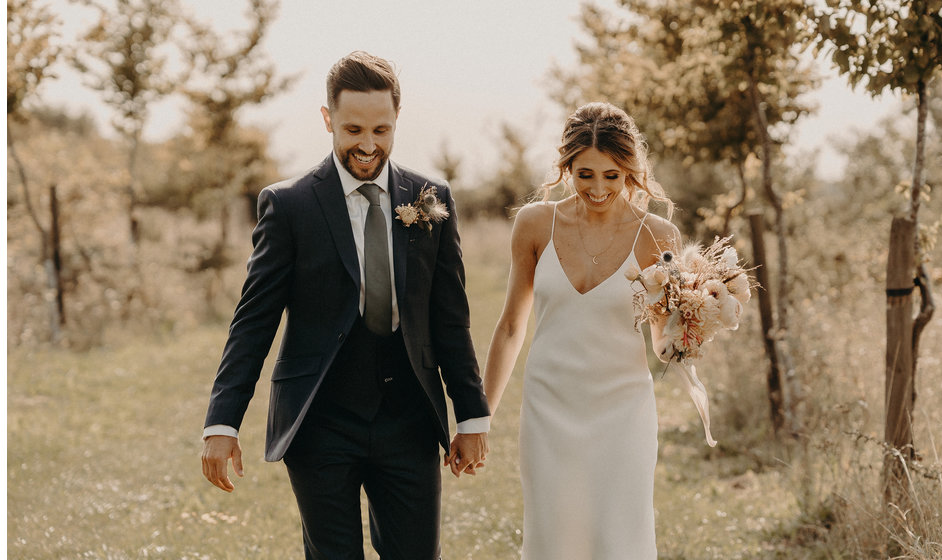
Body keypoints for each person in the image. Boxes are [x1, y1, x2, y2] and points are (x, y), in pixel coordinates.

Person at [200, 51, 491, 560]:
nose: (368, 144)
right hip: (320, 420)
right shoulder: (288, 205)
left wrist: (470, 418)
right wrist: (222, 423)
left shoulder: (431, 198)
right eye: (353, 128)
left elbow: (450, 319)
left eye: (382, 129)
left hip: (409, 419)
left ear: (397, 120)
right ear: (327, 118)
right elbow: (253, 323)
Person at [481, 102, 679, 559]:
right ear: (566, 166)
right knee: (553, 541)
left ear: (630, 171)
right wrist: (481, 417)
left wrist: (689, 332)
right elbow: (511, 326)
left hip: (623, 413)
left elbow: (663, 345)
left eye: (612, 175)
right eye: (584, 173)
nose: (598, 188)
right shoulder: (534, 224)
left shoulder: (658, 236)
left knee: (620, 541)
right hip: (549, 410)